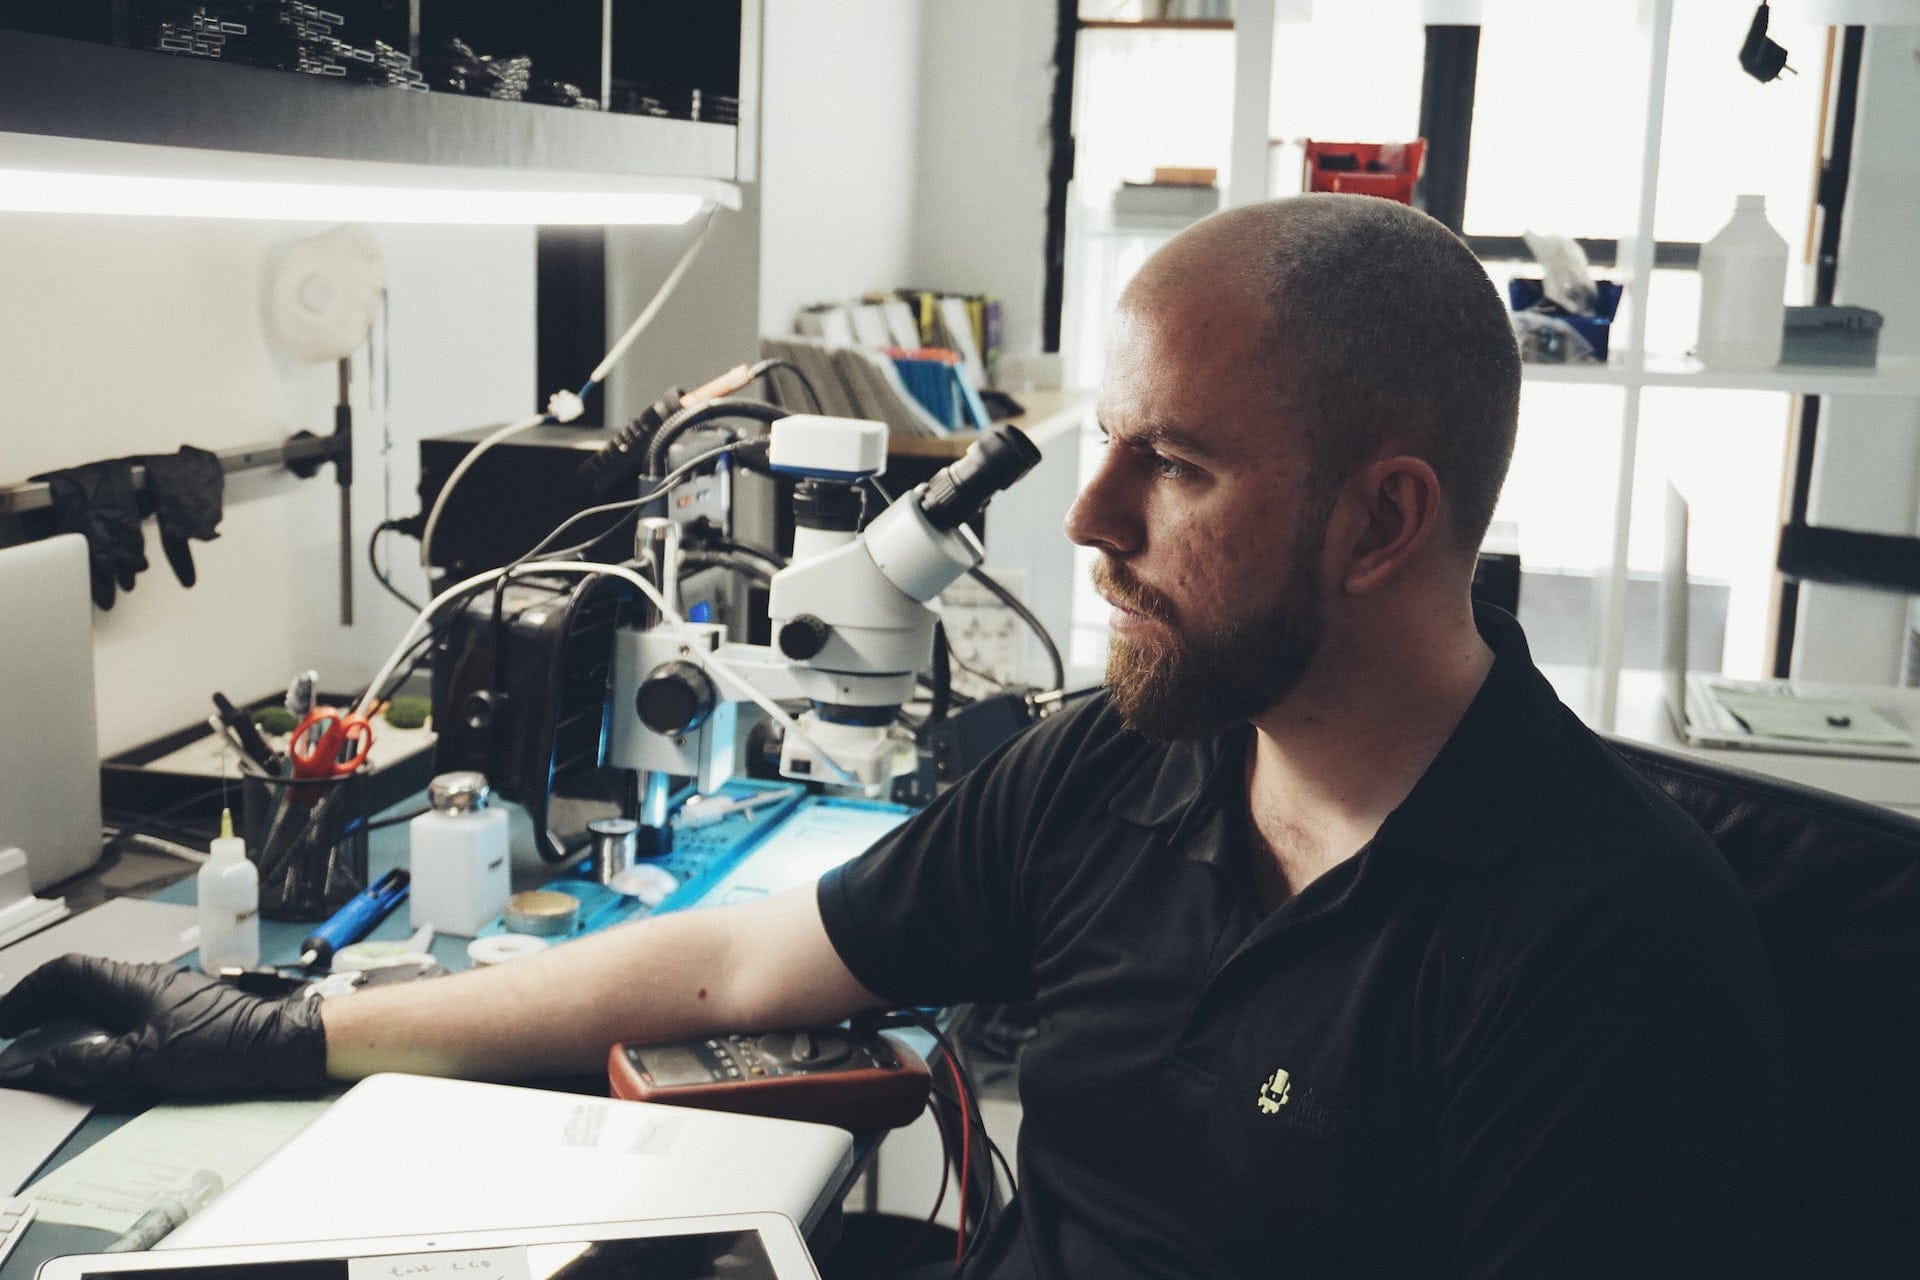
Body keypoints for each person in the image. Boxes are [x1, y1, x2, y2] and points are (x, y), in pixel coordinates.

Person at [0, 195, 1810, 1277]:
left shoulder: (1610, 948)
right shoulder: (1123, 761)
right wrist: (297, 1025)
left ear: (1381, 521)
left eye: (1175, 468)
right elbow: (739, 962)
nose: (1088, 520)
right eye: (1105, 444)